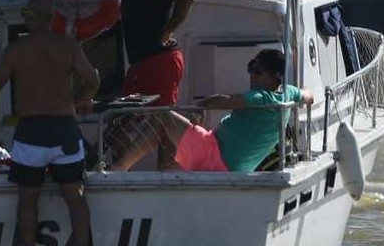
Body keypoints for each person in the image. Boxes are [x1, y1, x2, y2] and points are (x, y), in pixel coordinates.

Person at [0, 0, 100, 246]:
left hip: (31, 132)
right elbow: (92, 80)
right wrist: (77, 101)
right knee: (76, 197)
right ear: (52, 19)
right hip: (64, 130)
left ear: (30, 19)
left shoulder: (16, 51)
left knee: (27, 200)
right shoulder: (68, 47)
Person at [110, 48, 313, 174]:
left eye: (258, 71)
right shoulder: (289, 93)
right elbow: (309, 95)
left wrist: (200, 105)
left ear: (276, 76)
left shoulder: (260, 97)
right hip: (233, 167)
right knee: (167, 170)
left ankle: (119, 168)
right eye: (251, 68)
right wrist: (299, 98)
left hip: (213, 155)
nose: (252, 76)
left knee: (163, 118)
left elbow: (227, 101)